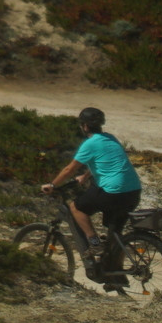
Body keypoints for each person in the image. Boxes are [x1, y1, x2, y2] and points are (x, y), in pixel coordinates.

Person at [43, 107, 142, 281]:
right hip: (133, 190)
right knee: (115, 233)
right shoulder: (110, 138)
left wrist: (52, 184)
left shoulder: (90, 143)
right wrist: (86, 175)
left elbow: (69, 169)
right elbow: (106, 159)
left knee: (77, 207)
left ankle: (95, 244)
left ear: (85, 126)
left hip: (114, 191)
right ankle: (115, 275)